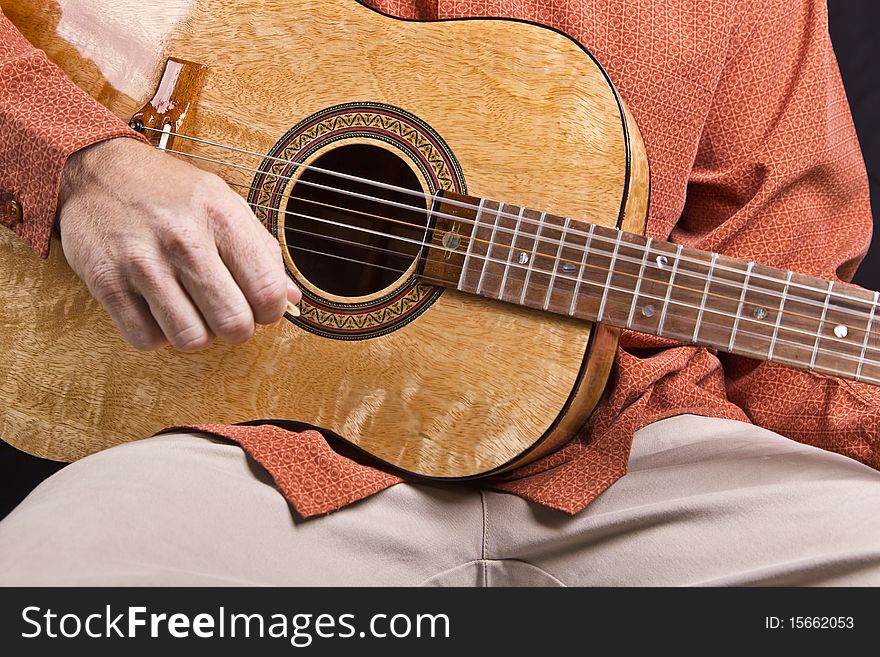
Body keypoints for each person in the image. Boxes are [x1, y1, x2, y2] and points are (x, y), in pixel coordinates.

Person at [1, 0, 879, 586]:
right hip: (250, 445)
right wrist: (84, 164)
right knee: (47, 588)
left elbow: (780, 289)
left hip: (630, 453)